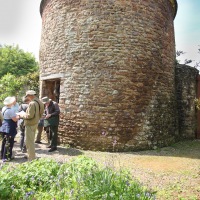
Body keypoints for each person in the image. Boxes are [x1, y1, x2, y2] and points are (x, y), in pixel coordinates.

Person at [17, 90, 44, 161]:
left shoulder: (32, 103)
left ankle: (31, 158)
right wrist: (37, 119)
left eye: (27, 96)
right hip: (35, 123)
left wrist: (22, 115)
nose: (27, 97)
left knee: (29, 142)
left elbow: (29, 116)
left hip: (30, 124)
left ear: (30, 95)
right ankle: (31, 155)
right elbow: (41, 113)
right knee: (31, 140)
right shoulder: (40, 102)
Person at [0, 96, 18, 162]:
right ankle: (7, 157)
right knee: (9, 142)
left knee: (4, 142)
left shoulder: (4, 108)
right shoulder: (10, 110)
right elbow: (15, 119)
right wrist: (18, 116)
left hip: (4, 126)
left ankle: (2, 155)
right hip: (9, 127)